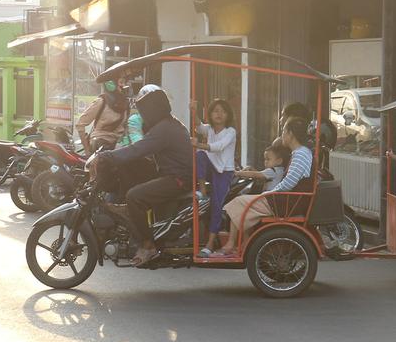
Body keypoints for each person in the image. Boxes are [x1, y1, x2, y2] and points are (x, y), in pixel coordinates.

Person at [98, 85, 193, 266]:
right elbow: (137, 151)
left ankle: (148, 245)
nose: (144, 115)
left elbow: (138, 149)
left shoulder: (164, 128)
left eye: (146, 110)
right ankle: (128, 209)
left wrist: (108, 156)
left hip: (178, 179)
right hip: (167, 172)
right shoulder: (167, 124)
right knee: (128, 164)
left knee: (134, 196)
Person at [217, 118, 314, 257]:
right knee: (243, 203)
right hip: (287, 200)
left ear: (290, 133)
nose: (282, 135)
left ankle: (231, 244)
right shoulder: (300, 153)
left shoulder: (300, 154)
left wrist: (269, 193)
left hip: (286, 202)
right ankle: (244, 242)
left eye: (284, 131)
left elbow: (289, 183)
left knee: (238, 202)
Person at [191, 98, 237, 255]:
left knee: (217, 205)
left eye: (223, 111)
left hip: (225, 172)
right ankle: (203, 191)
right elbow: (198, 126)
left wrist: (199, 144)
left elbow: (219, 146)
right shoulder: (210, 129)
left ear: (228, 115)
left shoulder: (230, 132)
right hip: (212, 168)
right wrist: (194, 110)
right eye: (216, 111)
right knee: (199, 155)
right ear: (210, 113)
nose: (219, 114)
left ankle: (210, 244)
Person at [76, 80, 128, 154]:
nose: (123, 86)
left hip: (118, 145)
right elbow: (80, 124)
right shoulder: (101, 101)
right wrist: (87, 150)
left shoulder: (125, 104)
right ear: (111, 85)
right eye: (121, 83)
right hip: (100, 146)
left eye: (124, 83)